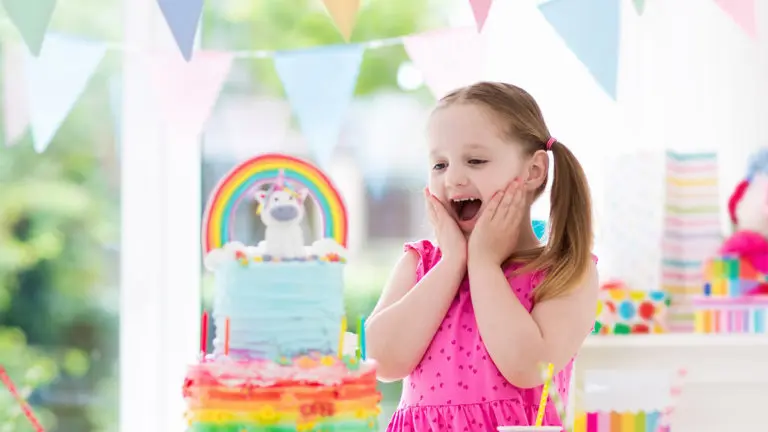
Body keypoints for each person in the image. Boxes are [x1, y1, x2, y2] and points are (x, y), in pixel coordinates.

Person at [365, 82, 599, 431]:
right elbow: (381, 360)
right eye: (440, 165)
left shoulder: (564, 270)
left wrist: (484, 264)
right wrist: (452, 263)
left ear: (533, 171)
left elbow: (528, 367)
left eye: (476, 161)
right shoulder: (421, 264)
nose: (454, 178)